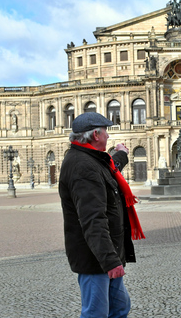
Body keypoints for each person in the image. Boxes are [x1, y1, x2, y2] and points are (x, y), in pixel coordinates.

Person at [59, 112, 145, 318]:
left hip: (106, 253)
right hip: (96, 259)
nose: (108, 136)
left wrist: (121, 153)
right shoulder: (83, 167)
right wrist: (110, 261)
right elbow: (92, 220)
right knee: (96, 313)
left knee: (120, 308)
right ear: (96, 135)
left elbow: (109, 169)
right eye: (106, 131)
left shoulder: (90, 159)